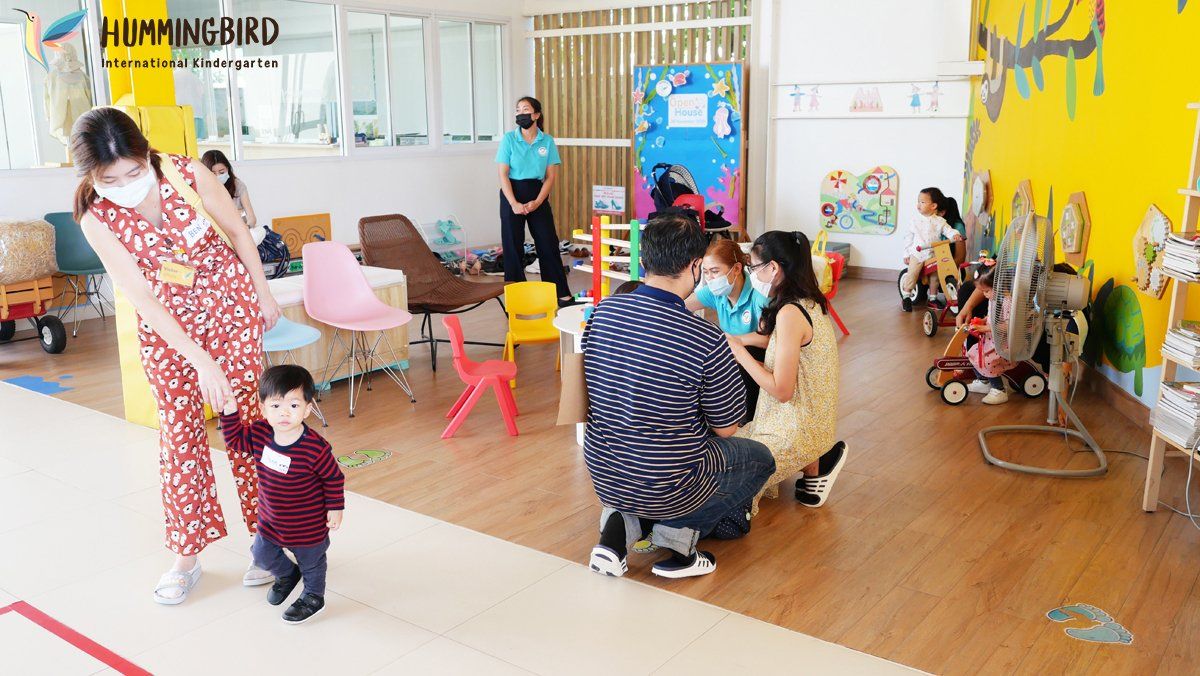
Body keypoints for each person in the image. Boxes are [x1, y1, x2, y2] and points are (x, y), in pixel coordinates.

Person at [70, 107, 281, 604]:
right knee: (180, 437)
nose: (125, 185)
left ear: (146, 154)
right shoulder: (96, 217)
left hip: (230, 307)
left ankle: (267, 540)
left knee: (249, 425)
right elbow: (141, 296)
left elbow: (238, 232)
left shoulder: (187, 173)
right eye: (109, 179)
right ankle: (187, 556)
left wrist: (262, 294)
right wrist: (201, 361)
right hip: (168, 329)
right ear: (90, 176)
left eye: (134, 171)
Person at [583, 213, 774, 579]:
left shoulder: (603, 312)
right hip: (668, 479)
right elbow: (726, 429)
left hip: (603, 469)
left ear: (644, 260)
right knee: (760, 459)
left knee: (649, 460)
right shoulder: (707, 338)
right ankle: (679, 543)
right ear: (696, 266)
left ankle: (620, 528)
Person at [726, 231, 846, 513]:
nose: (753, 275)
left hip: (795, 431)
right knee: (724, 452)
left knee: (719, 482)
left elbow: (782, 391)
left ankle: (816, 463)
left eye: (755, 268)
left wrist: (740, 352)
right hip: (811, 425)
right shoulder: (811, 302)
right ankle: (817, 464)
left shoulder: (790, 313)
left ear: (773, 268)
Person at [221, 365, 344, 624]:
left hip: (308, 525)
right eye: (276, 406)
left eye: (294, 405)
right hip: (271, 520)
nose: (284, 413)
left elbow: (333, 478)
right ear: (263, 408)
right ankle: (288, 574)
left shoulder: (315, 448)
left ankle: (314, 596)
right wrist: (230, 412)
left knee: (312, 563)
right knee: (261, 554)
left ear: (307, 409)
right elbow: (235, 440)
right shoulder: (260, 433)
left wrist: (335, 507)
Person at [496, 96, 572, 306]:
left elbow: (550, 177)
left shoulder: (546, 141)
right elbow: (503, 174)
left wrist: (538, 202)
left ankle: (561, 294)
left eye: (525, 109)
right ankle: (516, 298)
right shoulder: (509, 139)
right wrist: (514, 204)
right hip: (511, 193)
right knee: (512, 246)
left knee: (548, 243)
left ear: (536, 115)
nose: (520, 113)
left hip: (538, 193)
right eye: (518, 110)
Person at [686, 239, 769, 422]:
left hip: (758, 362)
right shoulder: (716, 294)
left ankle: (745, 419)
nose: (710, 278)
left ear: (737, 269)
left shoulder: (759, 297)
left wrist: (736, 341)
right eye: (706, 272)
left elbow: (768, 340)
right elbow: (682, 306)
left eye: (715, 271)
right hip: (733, 357)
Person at [900, 187, 964, 310]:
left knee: (935, 276)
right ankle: (907, 295)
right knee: (913, 273)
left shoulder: (940, 221)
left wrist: (955, 235)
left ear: (933, 206)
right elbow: (908, 238)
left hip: (934, 253)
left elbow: (948, 230)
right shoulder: (915, 220)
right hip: (918, 254)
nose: (918, 205)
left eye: (922, 202)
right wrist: (906, 254)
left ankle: (933, 298)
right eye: (918, 202)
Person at [964, 268, 1011, 405]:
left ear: (999, 285)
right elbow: (991, 316)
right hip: (991, 340)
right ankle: (984, 382)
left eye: (986, 291)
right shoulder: (993, 299)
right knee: (972, 353)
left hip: (1003, 344)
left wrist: (984, 328)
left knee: (987, 360)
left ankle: (999, 390)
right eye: (982, 291)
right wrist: (983, 320)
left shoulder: (1008, 302)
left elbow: (1008, 326)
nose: (984, 295)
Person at [201, 149, 257, 230]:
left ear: (227, 169)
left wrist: (246, 228)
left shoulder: (238, 185)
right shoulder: (201, 190)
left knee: (260, 232)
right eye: (213, 173)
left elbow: (251, 218)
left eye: (221, 172)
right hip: (217, 232)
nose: (218, 176)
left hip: (240, 229)